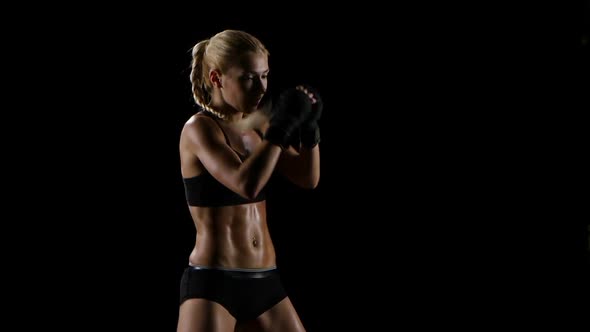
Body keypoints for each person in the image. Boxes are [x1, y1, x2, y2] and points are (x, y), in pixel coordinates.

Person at [176, 29, 322, 332]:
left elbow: (308, 179)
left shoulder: (258, 127)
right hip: (214, 283)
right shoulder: (200, 129)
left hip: (266, 279)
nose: (261, 88)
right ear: (216, 78)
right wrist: (280, 130)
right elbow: (246, 184)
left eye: (265, 76)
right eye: (249, 78)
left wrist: (309, 133)